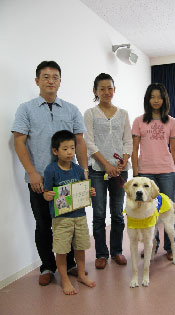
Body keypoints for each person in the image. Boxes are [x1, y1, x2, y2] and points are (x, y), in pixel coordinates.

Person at [12, 61, 88, 286]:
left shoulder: (72, 109)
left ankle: (72, 264)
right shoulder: (25, 109)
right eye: (45, 77)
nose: (51, 81)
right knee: (44, 224)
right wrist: (32, 173)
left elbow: (80, 141)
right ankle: (47, 266)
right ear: (37, 81)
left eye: (55, 77)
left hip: (70, 178)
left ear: (60, 81)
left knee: (71, 223)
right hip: (40, 180)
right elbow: (19, 141)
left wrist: (83, 170)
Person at [84, 73, 132, 269]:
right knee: (99, 214)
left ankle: (117, 251)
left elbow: (128, 141)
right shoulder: (90, 113)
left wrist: (122, 163)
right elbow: (90, 143)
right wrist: (106, 165)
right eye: (102, 88)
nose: (106, 92)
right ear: (95, 91)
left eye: (109, 88)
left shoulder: (123, 113)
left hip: (120, 171)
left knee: (118, 214)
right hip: (97, 169)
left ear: (114, 89)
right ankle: (101, 254)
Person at [132, 83, 175, 261]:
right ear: (147, 99)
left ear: (164, 100)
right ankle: (152, 244)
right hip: (146, 171)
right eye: (152, 97)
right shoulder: (139, 121)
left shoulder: (172, 121)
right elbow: (135, 148)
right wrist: (136, 174)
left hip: (167, 170)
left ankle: (172, 246)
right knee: (148, 211)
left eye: (159, 97)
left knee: (168, 210)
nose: (155, 100)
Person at [43, 130, 96, 295]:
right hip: (61, 219)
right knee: (62, 249)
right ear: (55, 151)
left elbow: (83, 189)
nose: (70, 152)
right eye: (65, 149)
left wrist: (90, 191)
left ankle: (80, 275)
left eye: (72, 148)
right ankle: (64, 279)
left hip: (79, 216)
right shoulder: (51, 170)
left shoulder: (79, 170)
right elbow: (46, 192)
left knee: (80, 247)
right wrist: (47, 195)